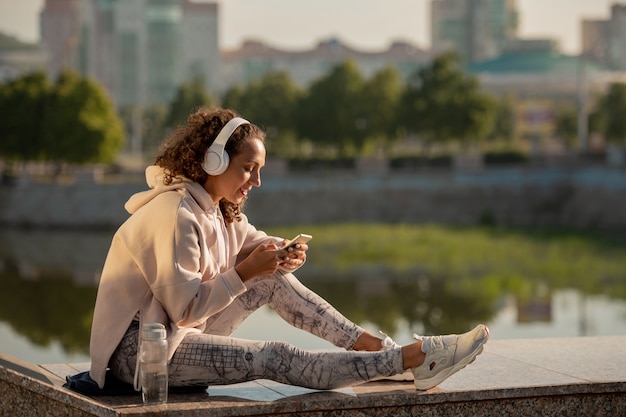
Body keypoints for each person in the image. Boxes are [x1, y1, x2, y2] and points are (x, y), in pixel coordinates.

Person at [88, 107, 489, 393]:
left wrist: (279, 253)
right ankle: (411, 360)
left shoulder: (215, 209)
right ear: (213, 160)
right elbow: (185, 310)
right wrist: (245, 272)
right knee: (273, 355)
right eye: (249, 168)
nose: (256, 181)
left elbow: (255, 243)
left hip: (177, 334)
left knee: (273, 278)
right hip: (142, 355)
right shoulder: (176, 213)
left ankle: (378, 351)